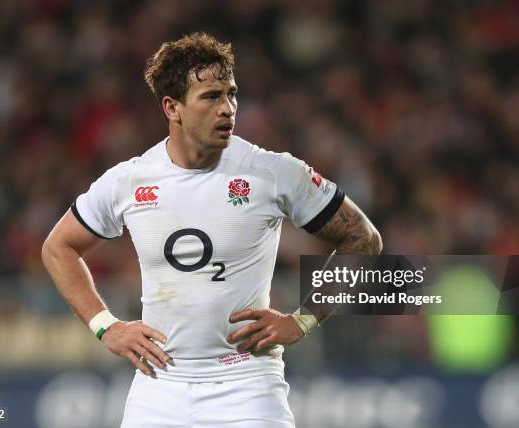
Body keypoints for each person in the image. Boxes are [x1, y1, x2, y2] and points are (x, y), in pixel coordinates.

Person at [42, 32, 382, 428]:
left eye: (231, 94)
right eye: (211, 97)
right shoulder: (130, 180)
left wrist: (302, 319)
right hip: (159, 387)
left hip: (248, 386)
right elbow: (58, 248)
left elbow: (363, 239)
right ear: (173, 108)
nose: (228, 108)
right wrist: (106, 326)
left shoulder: (273, 172)